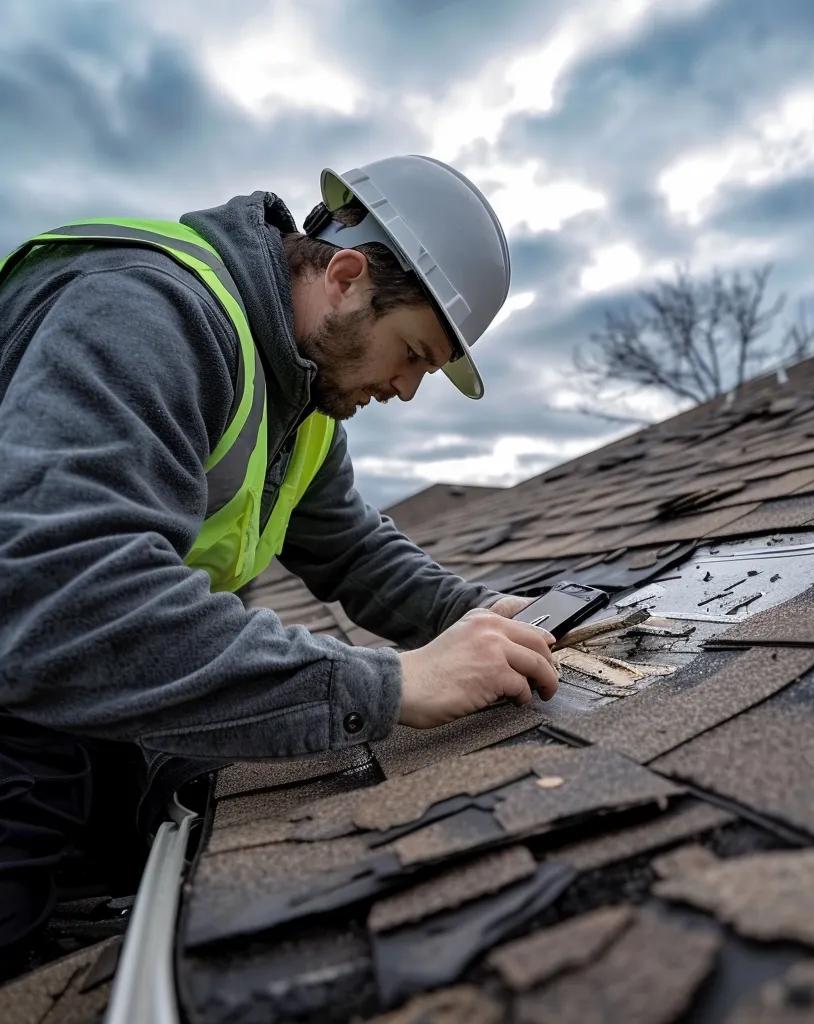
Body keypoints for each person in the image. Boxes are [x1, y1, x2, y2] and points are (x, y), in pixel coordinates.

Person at [0, 155, 559, 957]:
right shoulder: (147, 313)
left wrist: (472, 616)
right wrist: (393, 682)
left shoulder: (301, 399)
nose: (407, 390)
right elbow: (65, 598)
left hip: (62, 689)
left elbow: (353, 548)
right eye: (414, 353)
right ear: (344, 275)